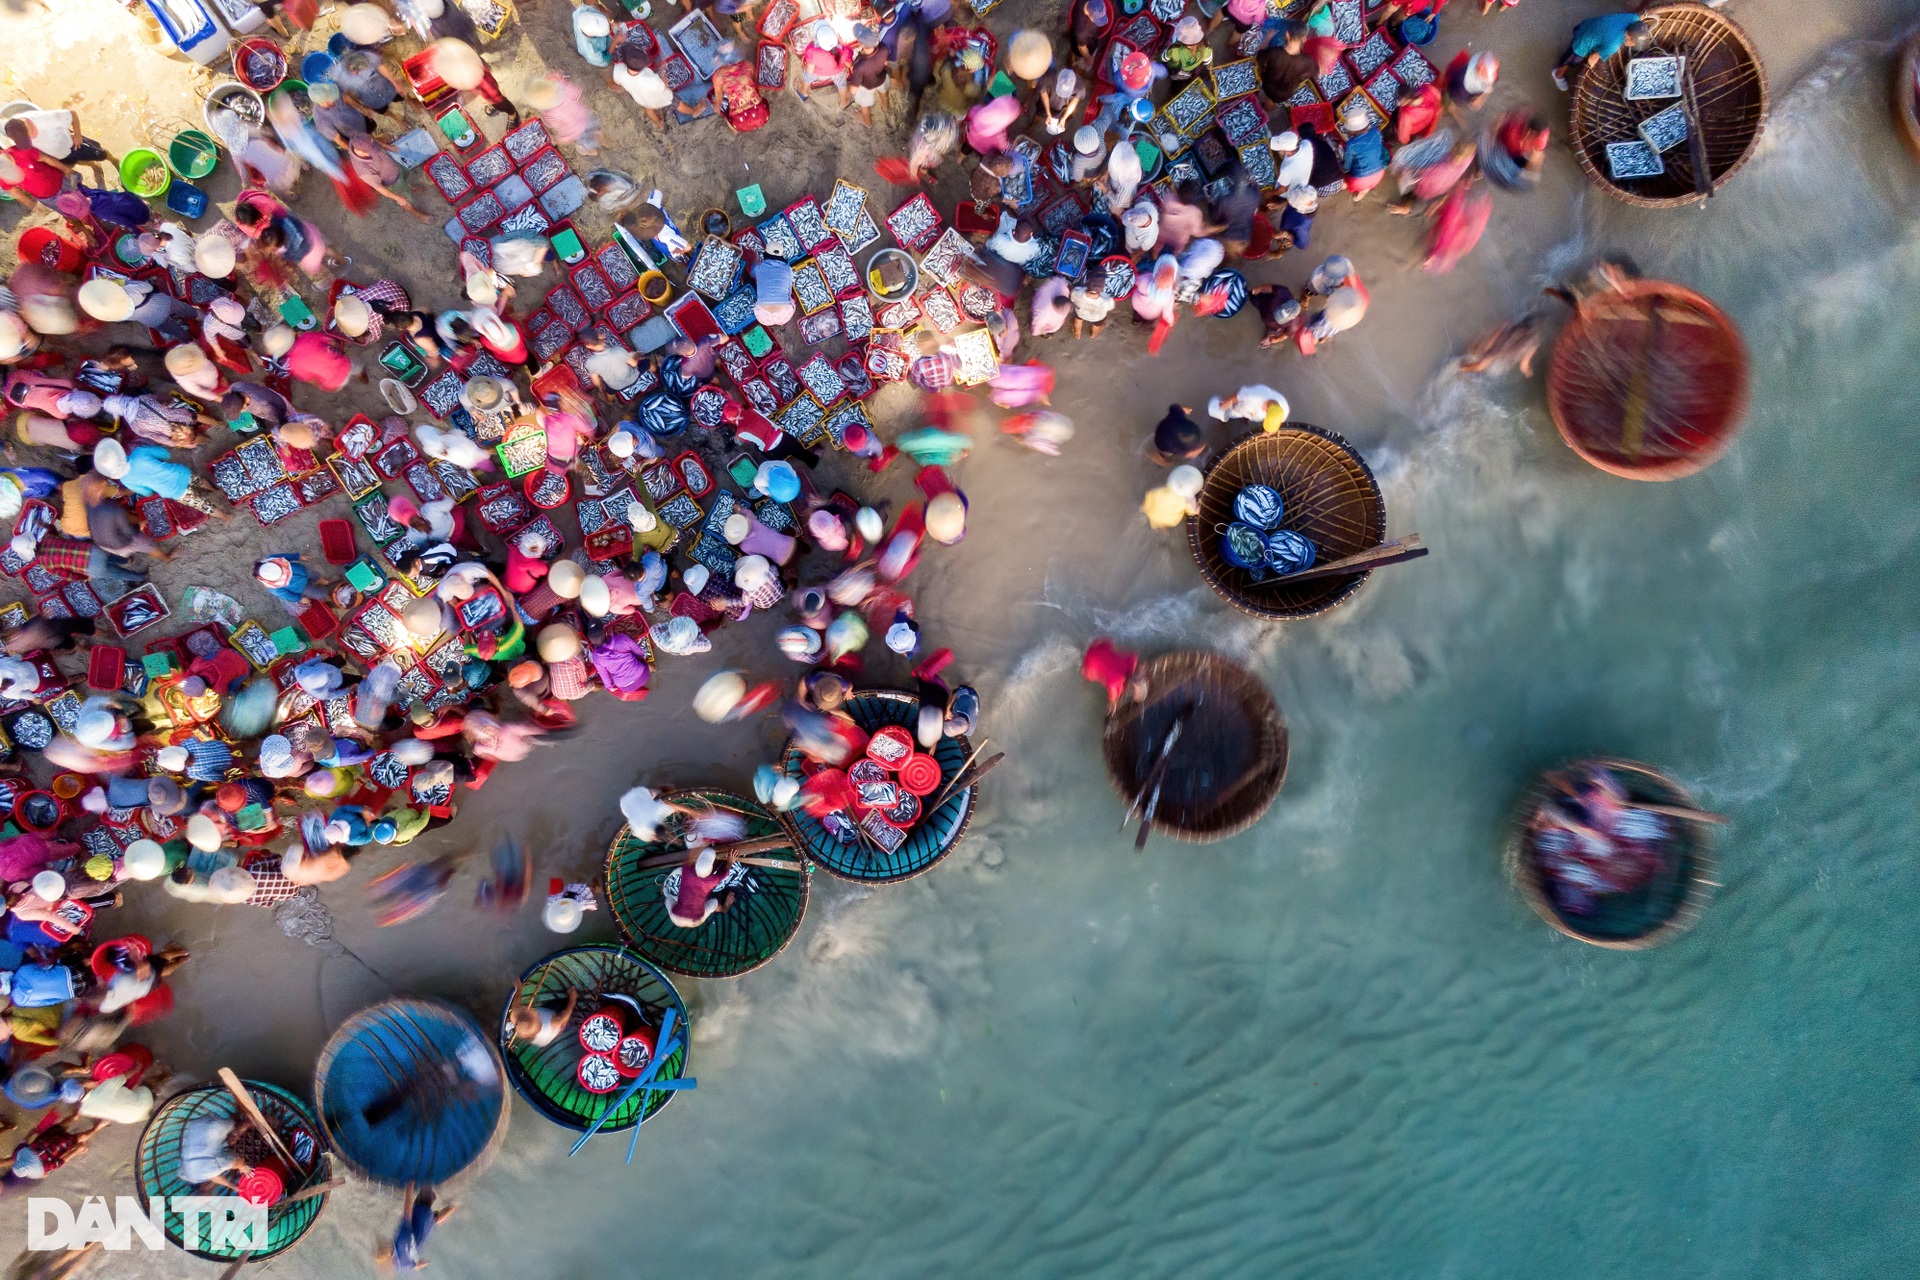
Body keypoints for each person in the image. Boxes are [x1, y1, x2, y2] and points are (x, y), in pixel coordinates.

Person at [1553, 14, 1652, 90]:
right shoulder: (1613, 44)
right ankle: (1558, 74)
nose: (1633, 46)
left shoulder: (1634, 18)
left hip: (1588, 25)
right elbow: (1593, 57)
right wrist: (1590, 74)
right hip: (1582, 42)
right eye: (1634, 43)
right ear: (1628, 37)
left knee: (1584, 33)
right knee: (1571, 61)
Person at [378, 1186, 457, 1272]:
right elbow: (407, 1214)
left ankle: (455, 1205)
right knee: (426, 1191)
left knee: (435, 1221)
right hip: (421, 1217)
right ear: (387, 1249)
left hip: (424, 1233)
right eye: (381, 1246)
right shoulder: (401, 1241)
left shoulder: (401, 1265)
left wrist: (426, 1262)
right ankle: (437, 1186)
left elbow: (418, 1265)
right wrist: (409, 1190)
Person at [1459, 312, 1545, 377]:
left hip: (1503, 340)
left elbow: (1506, 326)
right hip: (1503, 351)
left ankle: (1466, 361)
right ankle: (1461, 368)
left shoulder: (1525, 327)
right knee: (1481, 365)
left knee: (1482, 356)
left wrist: (1492, 339)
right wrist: (1527, 372)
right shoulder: (1535, 342)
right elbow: (1524, 364)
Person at [1340, 108, 1389, 201]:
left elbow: (1347, 166)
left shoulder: (1351, 144)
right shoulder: (1376, 132)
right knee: (1365, 187)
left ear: (1352, 131)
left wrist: (1342, 167)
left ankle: (1359, 193)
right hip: (1379, 174)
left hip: (1360, 180)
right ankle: (1362, 193)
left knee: (1343, 179)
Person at [506, 987, 579, 1047]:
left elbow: (517, 1001)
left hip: (541, 1038)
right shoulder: (551, 1023)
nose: (533, 1010)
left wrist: (519, 988)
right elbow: (563, 1018)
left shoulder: (516, 1017)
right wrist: (572, 999)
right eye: (534, 1014)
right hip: (555, 1027)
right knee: (567, 1015)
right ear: (539, 1021)